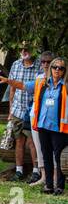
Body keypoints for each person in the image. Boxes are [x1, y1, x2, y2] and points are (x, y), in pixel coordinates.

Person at [0, 44, 42, 183]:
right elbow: (12, 90)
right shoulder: (15, 64)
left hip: (32, 110)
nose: (24, 52)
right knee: (18, 141)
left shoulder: (39, 66)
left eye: (27, 49)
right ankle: (19, 171)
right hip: (17, 110)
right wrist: (10, 111)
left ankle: (36, 171)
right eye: (21, 49)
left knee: (32, 142)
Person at [31, 57, 68, 195]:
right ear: (50, 68)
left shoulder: (66, 86)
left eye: (61, 68)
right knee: (46, 156)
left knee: (58, 158)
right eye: (55, 67)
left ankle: (59, 186)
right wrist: (9, 81)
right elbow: (25, 86)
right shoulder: (43, 84)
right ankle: (48, 185)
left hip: (59, 128)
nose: (57, 70)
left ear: (65, 71)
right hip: (43, 125)